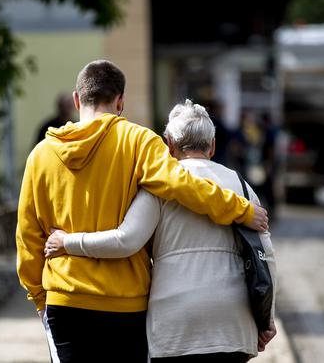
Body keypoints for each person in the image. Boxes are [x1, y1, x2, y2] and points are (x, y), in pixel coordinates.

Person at [16, 60, 269, 363]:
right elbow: (182, 183)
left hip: (65, 299)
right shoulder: (139, 141)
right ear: (120, 101)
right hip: (127, 306)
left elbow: (28, 237)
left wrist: (40, 299)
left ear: (76, 100)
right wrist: (239, 209)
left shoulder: (41, 155)